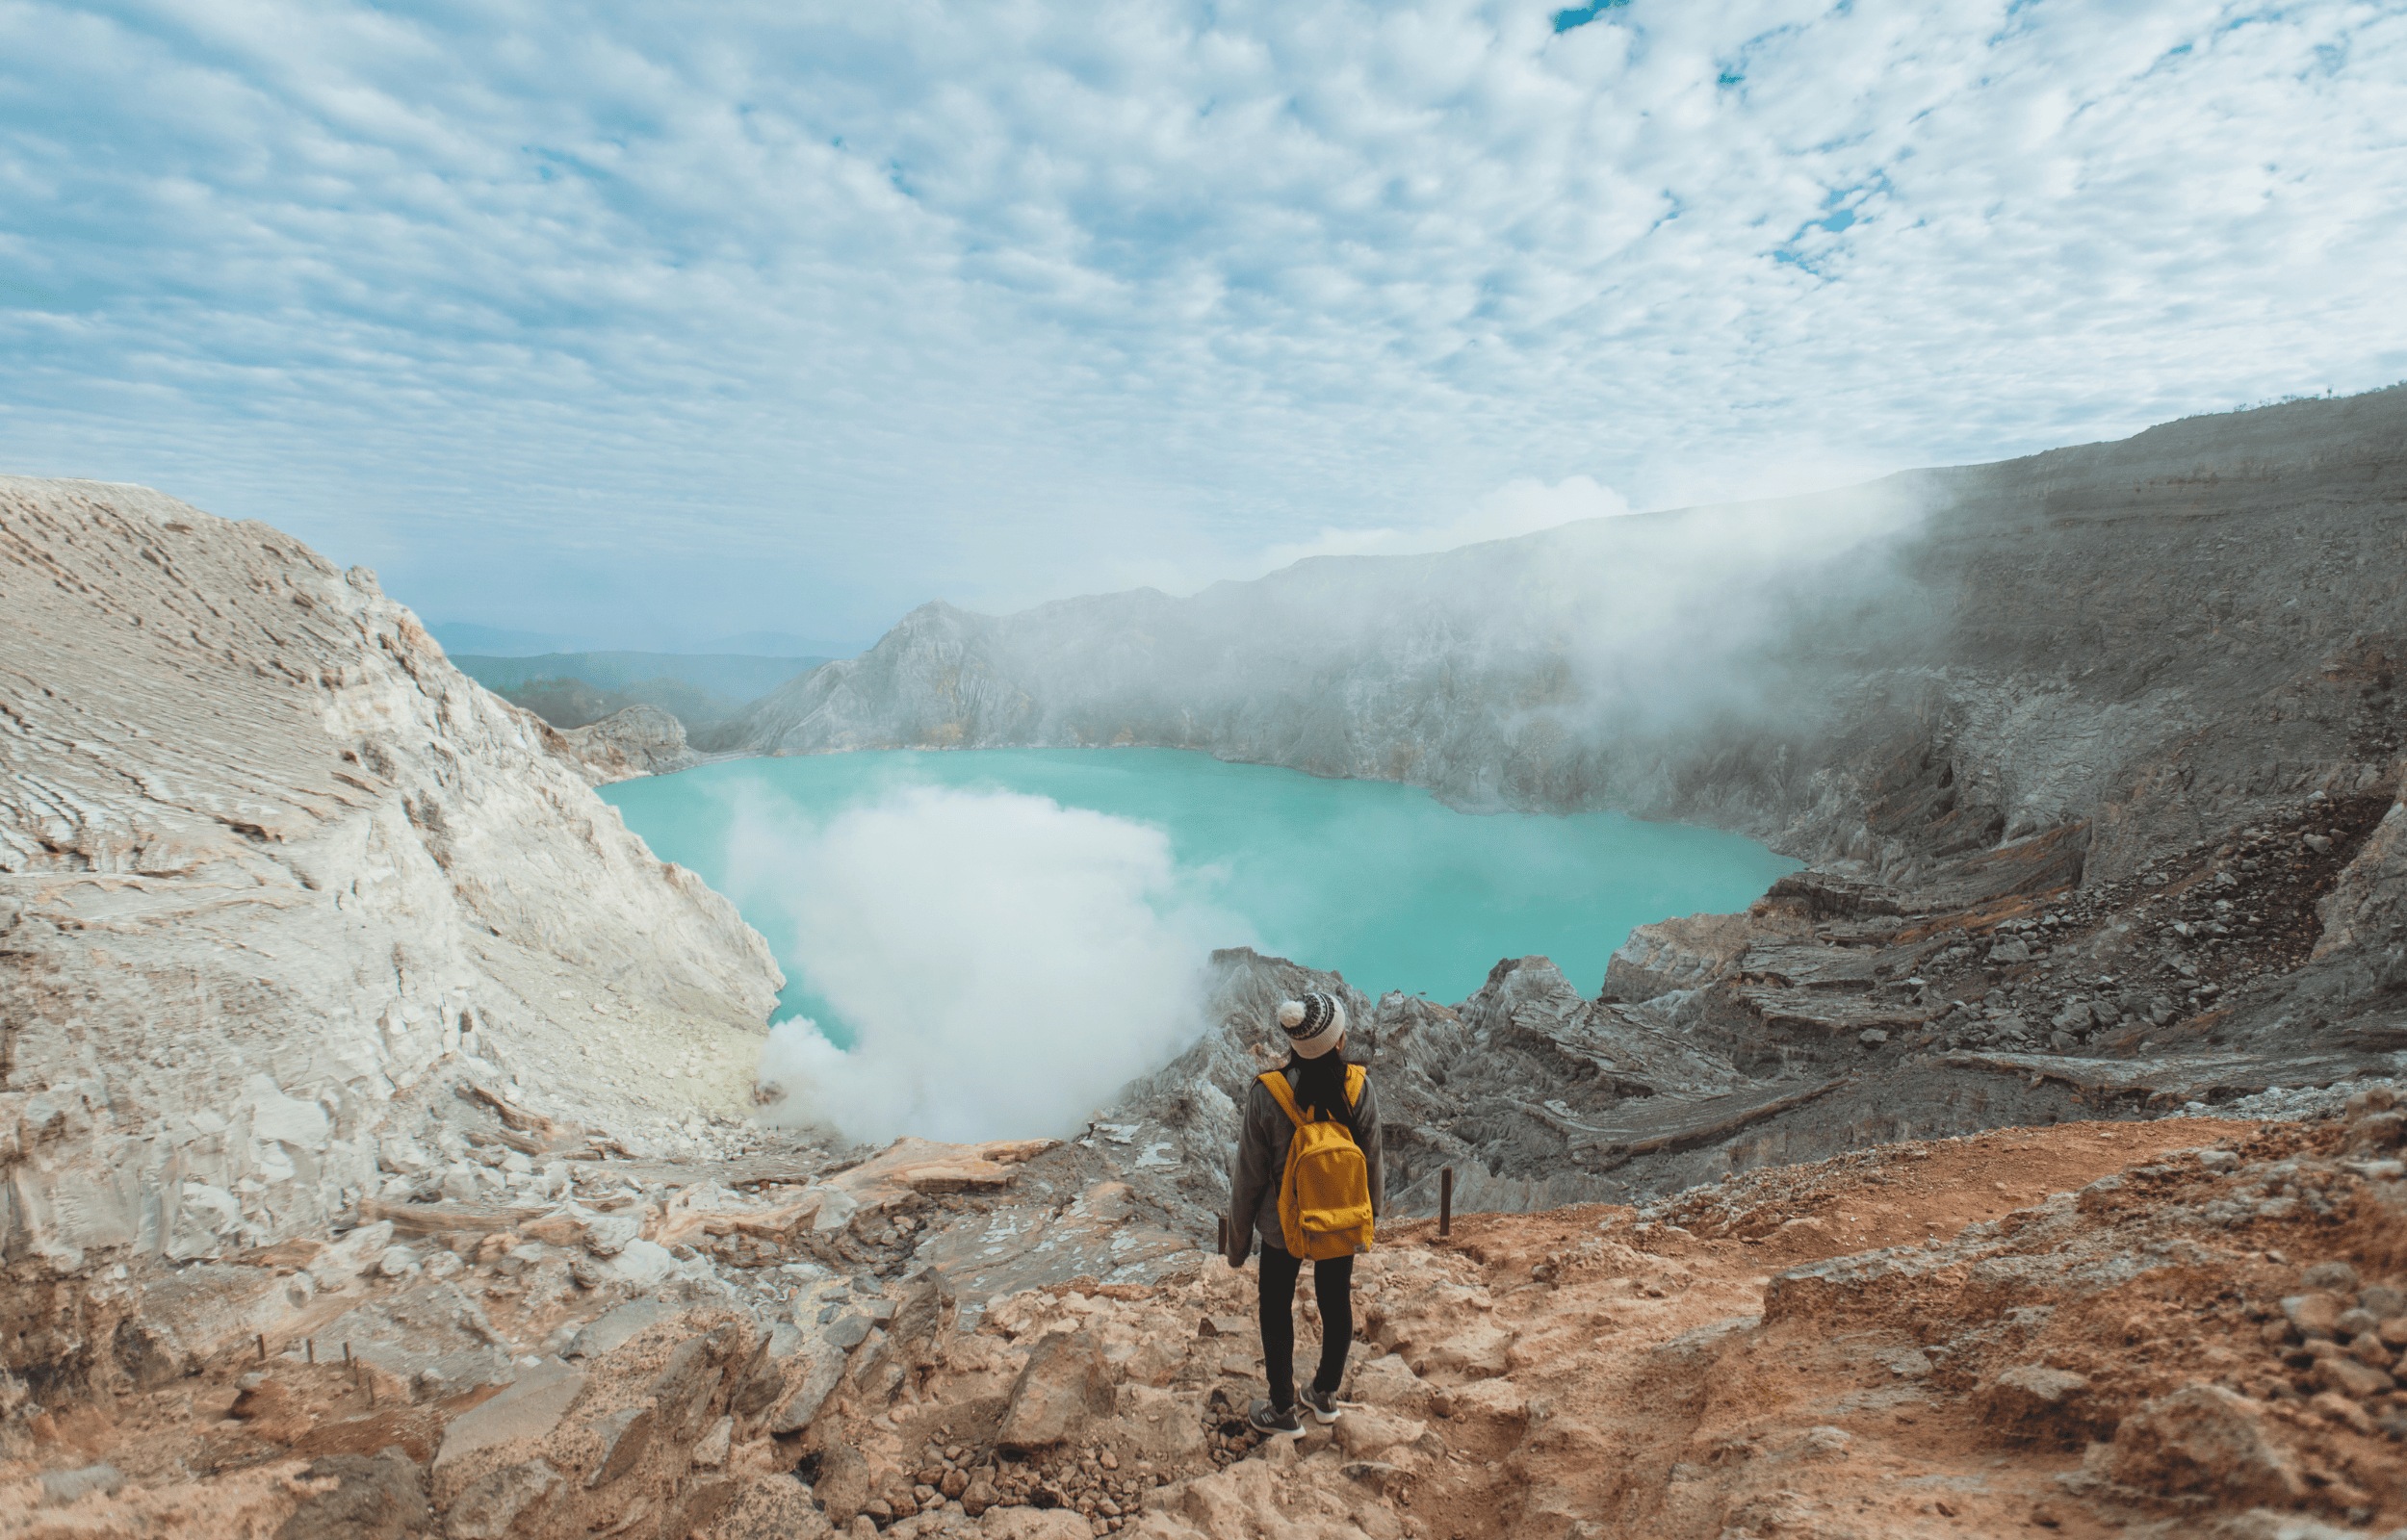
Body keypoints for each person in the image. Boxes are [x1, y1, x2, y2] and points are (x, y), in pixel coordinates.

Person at [1223, 990, 1384, 1438]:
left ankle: (1280, 1409)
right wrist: (1370, 1221)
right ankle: (1326, 1394)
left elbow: (1248, 1179)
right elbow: (1372, 1160)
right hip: (1341, 1216)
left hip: (1282, 1226)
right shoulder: (1359, 1087)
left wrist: (1236, 1248)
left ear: (1294, 1045)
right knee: (1336, 1302)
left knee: (1275, 1307)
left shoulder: (1267, 1094)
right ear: (1339, 1042)